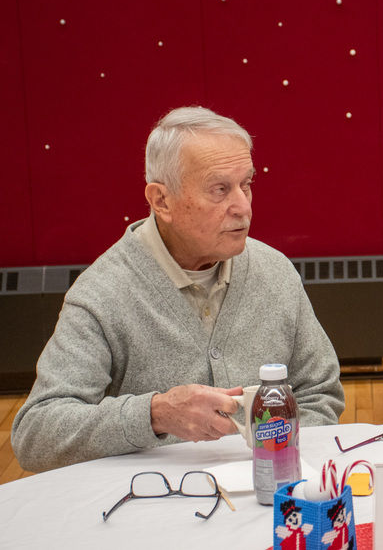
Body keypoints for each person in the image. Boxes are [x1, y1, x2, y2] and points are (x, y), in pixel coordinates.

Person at [12, 106, 344, 472]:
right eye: (220, 189)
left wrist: (275, 462)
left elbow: (319, 393)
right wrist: (154, 415)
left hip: (266, 501)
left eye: (246, 184)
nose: (243, 206)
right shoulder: (103, 294)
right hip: (150, 509)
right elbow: (35, 434)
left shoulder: (274, 271)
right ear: (161, 201)